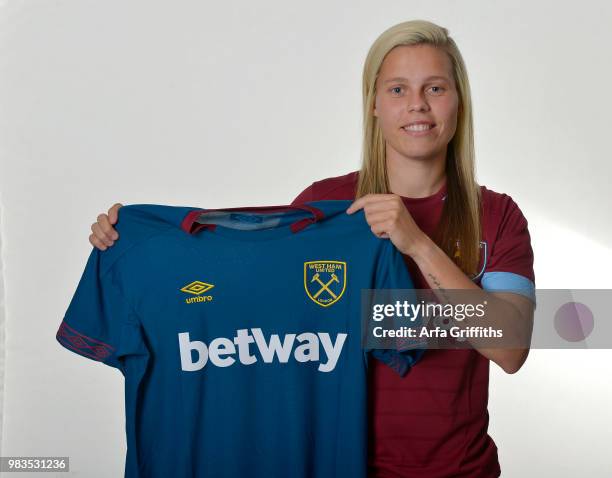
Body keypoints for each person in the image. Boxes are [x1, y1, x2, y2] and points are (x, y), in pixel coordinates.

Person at [86, 19, 535, 478]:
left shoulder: (497, 216)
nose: (417, 104)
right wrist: (139, 246)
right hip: (337, 465)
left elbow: (511, 347)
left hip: (460, 471)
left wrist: (416, 243)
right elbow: (250, 307)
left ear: (459, 100)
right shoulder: (326, 208)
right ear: (374, 105)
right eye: (398, 89)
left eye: (435, 88)